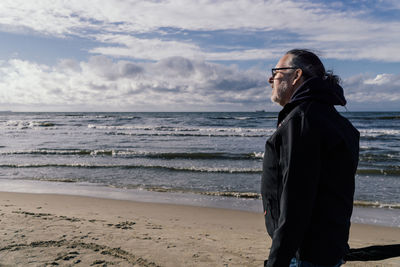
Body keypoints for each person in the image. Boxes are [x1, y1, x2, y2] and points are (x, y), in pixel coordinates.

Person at [261, 49, 360, 267]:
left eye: (277, 72)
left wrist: (277, 261)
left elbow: (296, 200)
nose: (271, 78)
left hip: (303, 255)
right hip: (328, 251)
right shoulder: (340, 124)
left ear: (296, 76)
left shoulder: (302, 121)